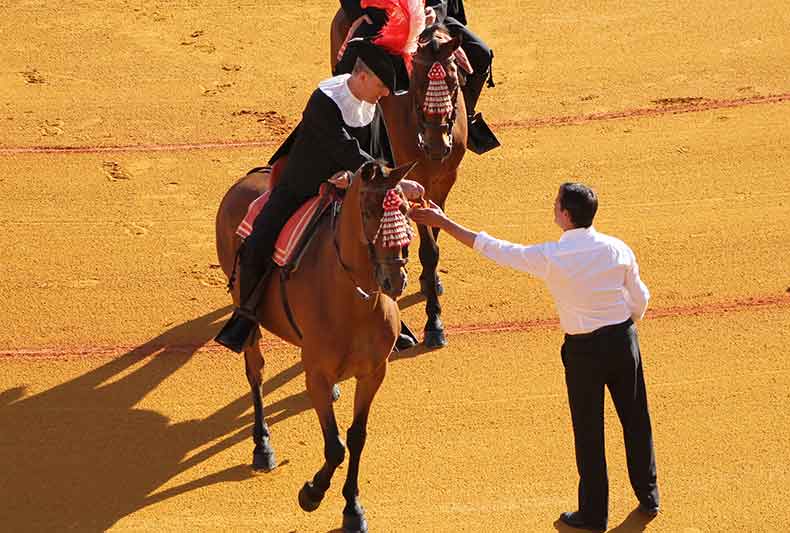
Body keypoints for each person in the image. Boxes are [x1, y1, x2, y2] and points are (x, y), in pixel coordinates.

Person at [409, 183, 660, 531]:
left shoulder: (551, 257)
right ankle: (649, 496)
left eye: (556, 204)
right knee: (636, 418)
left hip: (583, 352)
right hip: (622, 342)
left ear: (566, 216)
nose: (553, 207)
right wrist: (624, 328)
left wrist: (445, 223)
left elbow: (495, 248)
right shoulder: (617, 248)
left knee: (589, 432)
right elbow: (640, 298)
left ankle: (594, 514)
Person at [215, 39, 424, 354]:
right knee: (258, 241)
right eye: (381, 86)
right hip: (303, 186)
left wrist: (392, 183)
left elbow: (382, 154)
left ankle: (388, 312)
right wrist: (370, 177)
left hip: (355, 188)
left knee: (386, 241)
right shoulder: (324, 101)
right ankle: (246, 316)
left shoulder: (372, 104)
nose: (384, 94)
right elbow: (342, 148)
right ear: (362, 77)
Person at [338, 0, 500, 154]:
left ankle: (466, 117)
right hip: (380, 17)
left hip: (427, 19)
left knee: (481, 54)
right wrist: (356, 13)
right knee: (349, 64)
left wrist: (434, 12)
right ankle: (348, 131)